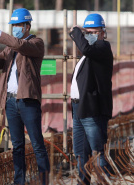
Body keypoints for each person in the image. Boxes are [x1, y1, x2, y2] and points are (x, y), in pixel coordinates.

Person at [0, 8, 50, 185]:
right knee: (17, 146)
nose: (15, 27)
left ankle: (44, 181)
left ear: (27, 26)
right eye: (13, 25)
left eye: (18, 25)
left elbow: (21, 45)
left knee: (37, 144)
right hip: (11, 101)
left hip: (28, 101)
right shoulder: (10, 49)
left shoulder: (36, 43)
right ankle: (19, 181)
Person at [69, 13, 113, 184]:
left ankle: (106, 180)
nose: (91, 35)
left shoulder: (102, 48)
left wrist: (75, 31)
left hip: (92, 110)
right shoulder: (88, 55)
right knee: (81, 153)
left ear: (103, 33)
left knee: (98, 151)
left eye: (95, 32)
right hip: (79, 109)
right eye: (88, 32)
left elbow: (86, 48)